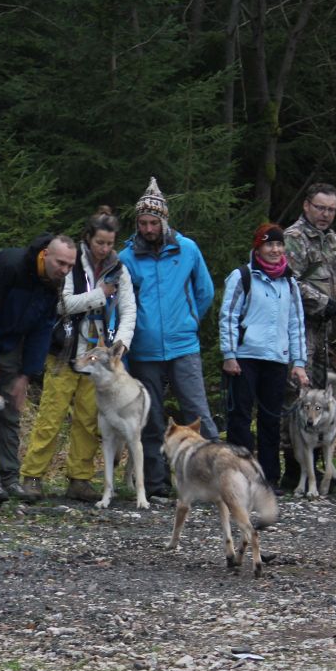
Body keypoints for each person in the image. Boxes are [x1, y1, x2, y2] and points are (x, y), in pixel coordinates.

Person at [18, 207, 138, 502]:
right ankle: (32, 476)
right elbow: (63, 304)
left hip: (98, 356)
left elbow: (129, 309)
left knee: (88, 418)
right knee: (51, 415)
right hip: (65, 350)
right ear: (88, 238)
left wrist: (122, 342)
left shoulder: (118, 269)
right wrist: (100, 294)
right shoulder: (73, 265)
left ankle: (80, 478)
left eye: (110, 243)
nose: (105, 249)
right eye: (100, 243)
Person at [119, 177, 218, 499]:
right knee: (151, 417)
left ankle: (212, 478)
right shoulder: (127, 257)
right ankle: (157, 483)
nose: (148, 229)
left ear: (164, 221)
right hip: (145, 350)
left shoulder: (187, 249)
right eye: (142, 223)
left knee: (196, 412)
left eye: (153, 222)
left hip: (183, 345)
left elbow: (205, 291)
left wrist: (189, 322)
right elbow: (120, 302)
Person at [0, 233, 78, 505]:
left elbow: (42, 330)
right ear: (45, 255)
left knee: (11, 409)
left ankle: (10, 477)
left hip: (11, 344)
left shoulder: (53, 283)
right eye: (60, 263)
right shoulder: (8, 265)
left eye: (70, 266)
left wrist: (27, 374)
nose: (64, 270)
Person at [218, 224, 310, 485]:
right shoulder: (242, 276)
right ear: (258, 247)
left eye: (279, 244)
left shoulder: (289, 282)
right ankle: (238, 477)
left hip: (276, 359)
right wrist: (229, 354)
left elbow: (296, 323)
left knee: (271, 420)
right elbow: (228, 316)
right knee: (240, 419)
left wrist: (299, 362)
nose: (275, 249)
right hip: (245, 358)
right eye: (269, 244)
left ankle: (269, 480)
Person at [280, 181, 336, 487]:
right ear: (307, 206)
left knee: (322, 396)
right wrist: (323, 303)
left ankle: (318, 468)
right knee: (297, 395)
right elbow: (289, 280)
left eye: (331, 210)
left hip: (327, 332)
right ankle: (293, 468)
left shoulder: (332, 240)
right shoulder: (294, 238)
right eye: (321, 208)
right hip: (300, 329)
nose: (325, 214)